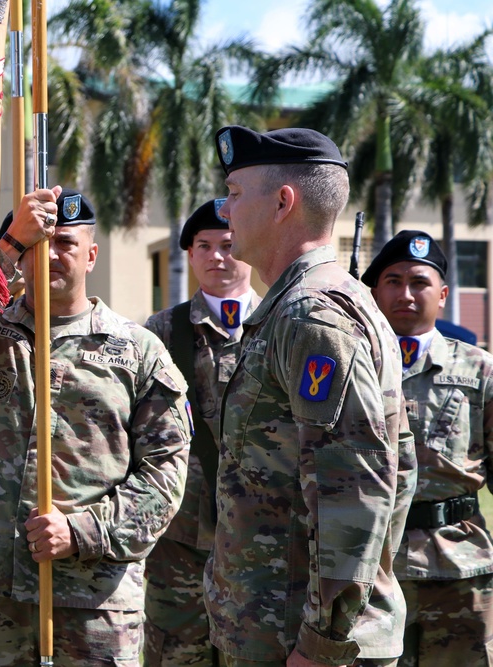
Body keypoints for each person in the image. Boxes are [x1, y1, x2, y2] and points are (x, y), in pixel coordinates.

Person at [0, 186, 192, 665]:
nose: (49, 255)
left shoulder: (137, 351)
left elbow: (166, 475)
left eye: (64, 243)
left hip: (93, 602)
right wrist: (7, 248)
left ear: (91, 255)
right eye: (36, 245)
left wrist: (84, 530)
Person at [205, 125, 415, 667]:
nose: (224, 211)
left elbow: (358, 489)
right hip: (283, 633)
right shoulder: (320, 304)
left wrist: (322, 643)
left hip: (301, 646)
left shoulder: (309, 314)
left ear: (282, 202)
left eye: (233, 193)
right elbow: (401, 467)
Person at [362, 230, 493, 666]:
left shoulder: (479, 370)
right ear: (375, 293)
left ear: (442, 293)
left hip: (458, 570)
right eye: (393, 281)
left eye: (419, 282)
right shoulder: (350, 368)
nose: (406, 293)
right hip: (368, 569)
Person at [143, 198, 261, 666]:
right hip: (181, 542)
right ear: (189, 255)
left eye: (229, 245)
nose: (218, 257)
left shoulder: (281, 324)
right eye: (204, 246)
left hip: (262, 542)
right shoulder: (160, 332)